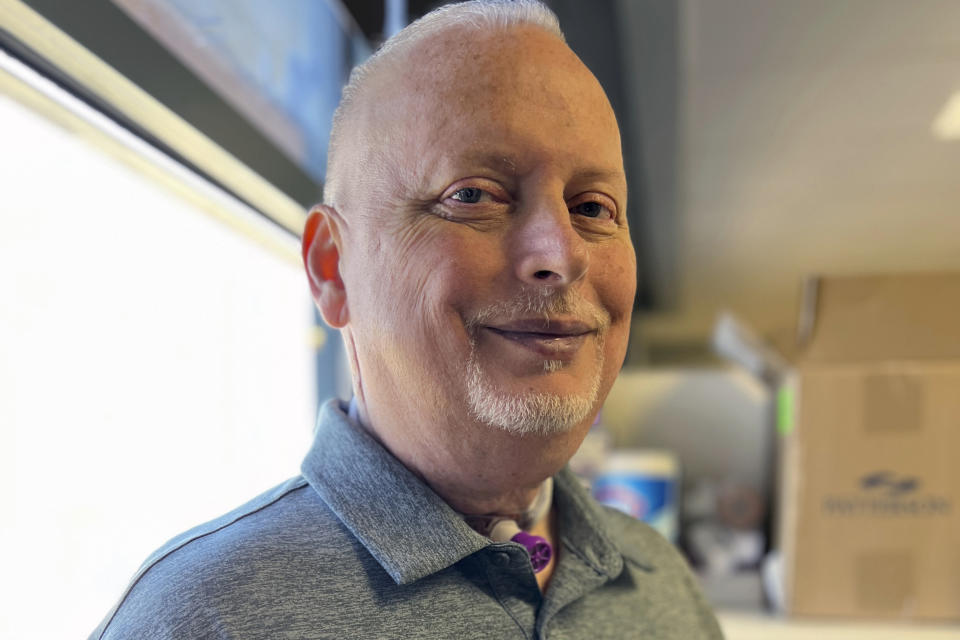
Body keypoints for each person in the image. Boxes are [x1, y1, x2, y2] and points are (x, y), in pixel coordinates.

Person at [90, 1, 723, 638]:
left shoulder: (662, 588)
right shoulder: (202, 617)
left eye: (592, 206)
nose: (562, 254)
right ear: (334, 269)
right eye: (473, 195)